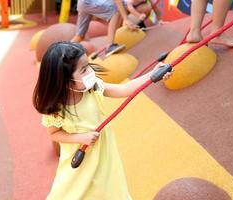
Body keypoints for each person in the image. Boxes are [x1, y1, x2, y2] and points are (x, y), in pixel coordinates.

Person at [32, 41, 172, 199]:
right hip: (80, 157)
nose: (90, 72)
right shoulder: (57, 108)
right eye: (84, 70)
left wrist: (152, 75)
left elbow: (124, 89)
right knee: (70, 192)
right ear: (64, 80)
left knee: (108, 187)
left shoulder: (93, 87)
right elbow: (54, 134)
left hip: (103, 151)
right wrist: (79, 137)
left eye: (89, 65)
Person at [71, 0, 138, 57]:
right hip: (88, 2)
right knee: (115, 12)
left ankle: (62, 52)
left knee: (79, 36)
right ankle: (109, 46)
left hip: (83, 3)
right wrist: (126, 19)